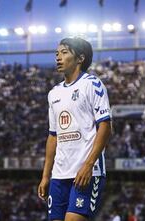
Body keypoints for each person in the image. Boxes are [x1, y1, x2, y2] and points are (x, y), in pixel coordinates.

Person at [37, 37, 112, 221]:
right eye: (57, 53)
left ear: (80, 58)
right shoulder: (54, 93)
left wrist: (88, 165)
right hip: (59, 175)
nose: (58, 57)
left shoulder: (92, 84)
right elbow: (53, 137)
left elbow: (105, 126)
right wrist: (46, 176)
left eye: (64, 52)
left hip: (86, 172)